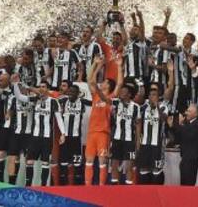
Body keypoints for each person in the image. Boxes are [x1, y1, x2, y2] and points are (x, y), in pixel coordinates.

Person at [85, 57, 114, 185]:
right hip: (92, 132)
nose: (102, 83)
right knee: (89, 161)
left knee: (102, 162)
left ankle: (102, 187)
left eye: (105, 82)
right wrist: (96, 65)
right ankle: (88, 186)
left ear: (109, 86)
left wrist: (96, 85)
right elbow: (89, 80)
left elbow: (94, 84)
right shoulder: (95, 95)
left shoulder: (111, 98)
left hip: (103, 133)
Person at [136, 83, 169, 184]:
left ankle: (157, 193)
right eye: (150, 95)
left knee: (156, 170)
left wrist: (157, 106)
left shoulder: (163, 107)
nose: (151, 97)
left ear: (158, 97)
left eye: (154, 95)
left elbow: (163, 119)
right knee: (144, 169)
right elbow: (138, 124)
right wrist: (137, 142)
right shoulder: (143, 108)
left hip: (157, 145)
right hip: (145, 144)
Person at [54, 80, 85, 185]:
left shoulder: (83, 102)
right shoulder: (62, 100)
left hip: (76, 138)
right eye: (69, 92)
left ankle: (78, 186)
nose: (70, 94)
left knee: (77, 163)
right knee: (63, 162)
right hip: (64, 137)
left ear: (78, 93)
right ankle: (63, 185)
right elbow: (51, 99)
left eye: (73, 92)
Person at [110, 81, 140, 184]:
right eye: (120, 91)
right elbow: (105, 99)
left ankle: (128, 189)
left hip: (130, 141)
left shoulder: (136, 107)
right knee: (114, 165)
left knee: (129, 167)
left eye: (123, 92)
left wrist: (137, 144)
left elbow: (138, 126)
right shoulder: (115, 103)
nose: (121, 93)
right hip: (117, 139)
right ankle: (115, 188)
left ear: (129, 94)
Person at [178, 103, 198, 186]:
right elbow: (180, 137)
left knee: (189, 183)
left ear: (195, 114)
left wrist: (181, 125)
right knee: (183, 183)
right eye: (187, 111)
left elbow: (190, 136)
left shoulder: (197, 124)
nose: (186, 113)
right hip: (185, 157)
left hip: (192, 158)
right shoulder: (188, 124)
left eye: (189, 111)